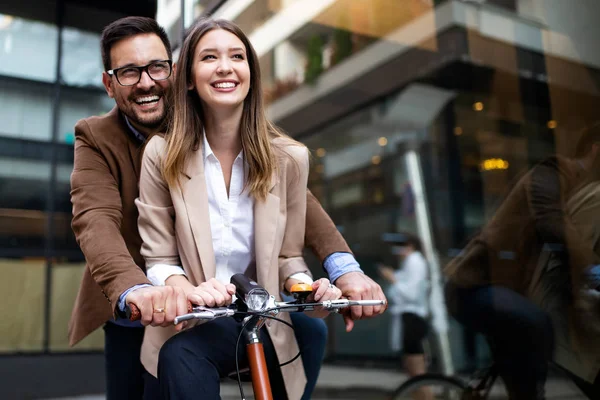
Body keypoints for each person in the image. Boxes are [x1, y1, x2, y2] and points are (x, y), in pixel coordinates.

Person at [68, 16, 386, 400]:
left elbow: (293, 197)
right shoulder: (98, 136)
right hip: (138, 296)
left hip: (226, 304)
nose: (147, 82)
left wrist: (344, 269)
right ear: (109, 83)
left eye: (156, 67)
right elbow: (94, 219)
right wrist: (136, 289)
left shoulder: (213, 110)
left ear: (174, 72)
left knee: (304, 336)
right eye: (129, 73)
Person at [134, 17, 343, 400]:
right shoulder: (161, 155)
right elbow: (159, 259)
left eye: (237, 56)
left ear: (251, 73)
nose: (226, 67)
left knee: (312, 331)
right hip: (189, 324)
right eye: (209, 57)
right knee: (181, 354)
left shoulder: (290, 160)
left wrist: (306, 287)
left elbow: (287, 255)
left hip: (261, 319)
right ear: (189, 79)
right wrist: (190, 291)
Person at [444, 122, 600, 400]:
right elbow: (552, 223)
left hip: (510, 292)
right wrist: (593, 269)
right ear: (596, 149)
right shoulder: (553, 170)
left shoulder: (585, 191)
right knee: (537, 325)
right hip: (474, 287)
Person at [379, 232, 432, 400]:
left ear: (409, 246)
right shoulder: (410, 263)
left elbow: (411, 294)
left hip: (412, 318)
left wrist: (392, 278)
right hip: (408, 318)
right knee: (412, 371)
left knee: (417, 373)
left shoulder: (415, 262)